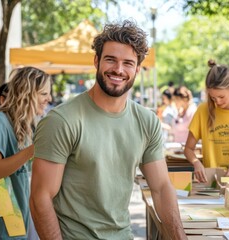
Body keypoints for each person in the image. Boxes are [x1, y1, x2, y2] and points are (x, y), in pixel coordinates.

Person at [30, 20, 187, 240]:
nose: (118, 70)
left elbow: (161, 187)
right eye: (110, 60)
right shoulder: (62, 120)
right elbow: (40, 198)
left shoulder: (146, 121)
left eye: (128, 63)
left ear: (138, 69)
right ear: (97, 61)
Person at [0, 67, 52, 239]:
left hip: (17, 222)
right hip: (1, 226)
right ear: (27, 93)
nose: (49, 98)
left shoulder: (24, 127)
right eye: (44, 93)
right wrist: (32, 150)